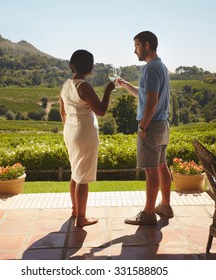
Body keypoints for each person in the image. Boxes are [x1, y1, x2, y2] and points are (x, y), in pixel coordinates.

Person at [117, 31, 173, 226]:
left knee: (151, 171)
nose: (134, 51)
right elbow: (144, 94)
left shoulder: (150, 69)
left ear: (146, 45)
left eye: (137, 46)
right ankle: (165, 205)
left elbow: (151, 101)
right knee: (161, 166)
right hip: (162, 125)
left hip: (151, 125)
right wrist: (125, 85)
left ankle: (148, 213)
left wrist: (142, 126)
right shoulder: (161, 67)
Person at [59, 49, 115, 227]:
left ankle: (76, 210)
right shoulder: (83, 85)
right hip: (84, 133)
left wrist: (70, 128)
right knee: (82, 176)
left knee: (76, 172)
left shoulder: (66, 85)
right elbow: (101, 111)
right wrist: (109, 89)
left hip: (70, 130)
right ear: (89, 66)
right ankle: (81, 218)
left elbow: (63, 112)